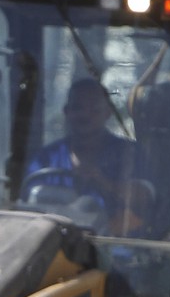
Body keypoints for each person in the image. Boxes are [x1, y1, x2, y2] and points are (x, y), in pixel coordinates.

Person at [23, 78, 150, 235]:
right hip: (54, 243)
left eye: (94, 109)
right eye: (77, 108)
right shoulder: (45, 158)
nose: (85, 115)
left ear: (108, 113)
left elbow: (145, 200)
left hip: (113, 244)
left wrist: (103, 182)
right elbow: (28, 207)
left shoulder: (129, 153)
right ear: (67, 112)